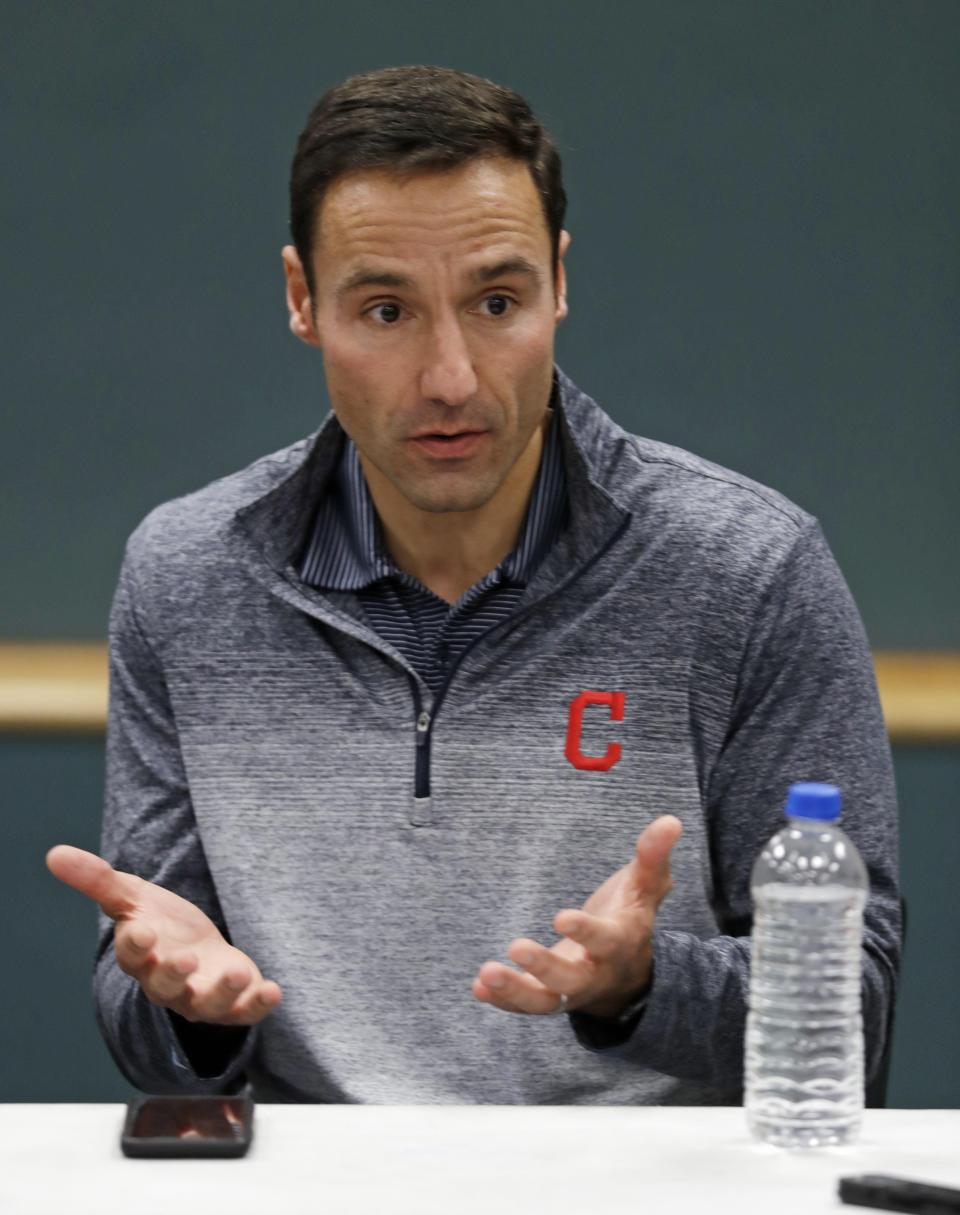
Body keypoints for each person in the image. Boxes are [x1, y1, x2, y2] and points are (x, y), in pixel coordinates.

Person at [47, 65, 900, 1105]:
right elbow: (154, 1017)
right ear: (301, 301)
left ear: (561, 283)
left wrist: (641, 986)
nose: (451, 376)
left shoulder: (748, 570)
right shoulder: (186, 578)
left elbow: (850, 1020)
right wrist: (182, 1009)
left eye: (498, 301)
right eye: (387, 311)